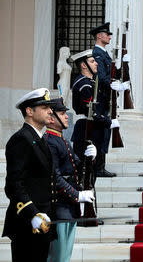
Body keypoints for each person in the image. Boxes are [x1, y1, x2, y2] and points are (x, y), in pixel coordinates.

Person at [2, 88, 57, 261]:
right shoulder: (22, 139)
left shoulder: (39, 139)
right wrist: (33, 213)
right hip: (27, 223)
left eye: (50, 107)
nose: (50, 111)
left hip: (43, 222)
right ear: (29, 111)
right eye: (44, 107)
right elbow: (13, 184)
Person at [45, 97, 96, 262]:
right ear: (51, 118)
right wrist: (77, 195)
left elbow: (79, 169)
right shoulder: (49, 142)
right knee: (56, 257)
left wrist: (91, 159)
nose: (67, 116)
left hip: (69, 208)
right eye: (62, 113)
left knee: (64, 257)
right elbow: (55, 177)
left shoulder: (63, 140)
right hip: (58, 208)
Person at [88, 22, 129, 176]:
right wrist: (113, 85)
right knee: (100, 134)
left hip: (106, 98)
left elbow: (111, 75)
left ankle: (100, 166)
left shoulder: (104, 53)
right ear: (100, 36)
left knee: (105, 133)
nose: (110, 36)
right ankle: (98, 168)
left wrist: (123, 66)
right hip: (102, 98)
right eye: (107, 34)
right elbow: (102, 77)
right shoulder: (97, 54)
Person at [71, 49, 120, 178]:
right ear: (83, 65)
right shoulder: (84, 85)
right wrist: (109, 121)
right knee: (85, 173)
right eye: (92, 61)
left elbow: (100, 103)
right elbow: (90, 111)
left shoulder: (91, 82)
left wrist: (115, 89)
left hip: (92, 129)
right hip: (86, 129)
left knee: (90, 176)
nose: (96, 63)